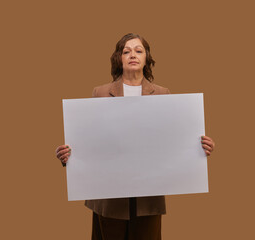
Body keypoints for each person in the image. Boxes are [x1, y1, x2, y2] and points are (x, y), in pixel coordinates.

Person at [55, 33, 215, 240]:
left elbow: (172, 142)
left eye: (139, 50)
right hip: (108, 193)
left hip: (149, 194)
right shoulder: (100, 92)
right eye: (126, 51)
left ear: (146, 58)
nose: (133, 55)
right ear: (118, 58)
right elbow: (90, 141)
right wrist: (69, 156)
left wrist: (198, 150)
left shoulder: (162, 94)